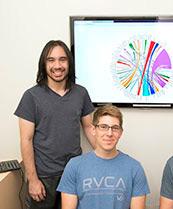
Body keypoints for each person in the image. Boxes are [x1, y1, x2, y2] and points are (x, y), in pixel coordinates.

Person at [14, 40, 95, 209]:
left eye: (62, 59)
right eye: (51, 60)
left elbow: (89, 127)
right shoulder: (31, 96)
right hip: (44, 177)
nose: (57, 65)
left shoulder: (81, 93)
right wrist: (33, 179)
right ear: (43, 64)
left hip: (74, 174)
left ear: (69, 63)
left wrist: (107, 156)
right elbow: (26, 140)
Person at [57, 104, 150, 209]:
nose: (109, 133)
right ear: (93, 130)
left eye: (115, 128)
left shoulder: (134, 168)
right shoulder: (74, 166)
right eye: (103, 127)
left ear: (120, 132)